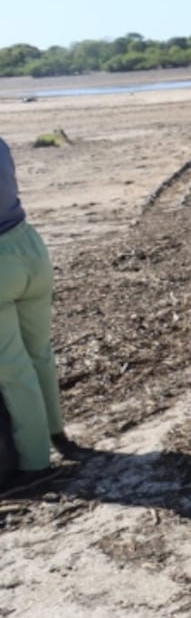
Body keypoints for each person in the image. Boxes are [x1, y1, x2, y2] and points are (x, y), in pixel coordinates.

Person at [0, 135, 78, 490]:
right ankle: (56, 431)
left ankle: (34, 463)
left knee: (13, 369)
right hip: (29, 244)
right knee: (40, 352)